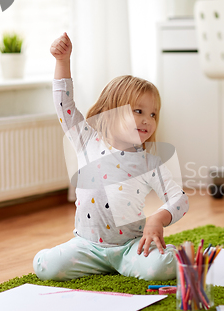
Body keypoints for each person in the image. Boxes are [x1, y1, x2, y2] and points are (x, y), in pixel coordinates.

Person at [33, 33, 189, 281]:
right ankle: (85, 261)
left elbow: (179, 199)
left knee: (159, 269)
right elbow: (65, 105)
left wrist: (158, 218)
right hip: (86, 246)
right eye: (139, 111)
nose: (148, 120)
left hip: (130, 248)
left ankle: (182, 256)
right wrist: (62, 60)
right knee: (46, 267)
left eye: (153, 114)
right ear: (111, 110)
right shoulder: (86, 140)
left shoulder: (149, 163)